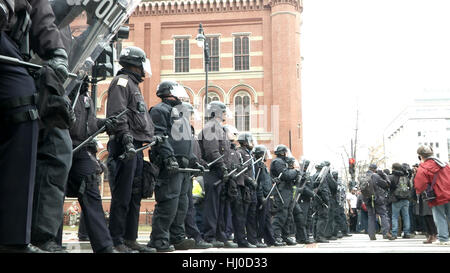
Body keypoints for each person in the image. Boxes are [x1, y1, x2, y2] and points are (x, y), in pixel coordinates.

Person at [0, 0, 73, 253]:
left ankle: (14, 238)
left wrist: (56, 52)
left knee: (24, 111)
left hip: (8, 40)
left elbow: (39, 8)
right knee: (23, 109)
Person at [106, 46, 160, 253]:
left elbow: (139, 117)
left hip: (136, 146)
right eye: (141, 65)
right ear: (135, 64)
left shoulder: (133, 85)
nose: (143, 70)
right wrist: (126, 138)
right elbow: (118, 113)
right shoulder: (121, 83)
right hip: (124, 144)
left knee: (135, 194)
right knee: (123, 194)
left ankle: (130, 238)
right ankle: (116, 240)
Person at [66, 79, 119, 253]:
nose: (86, 78)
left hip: (81, 150)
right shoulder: (65, 89)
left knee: (91, 189)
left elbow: (89, 123)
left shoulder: (85, 96)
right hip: (61, 146)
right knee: (54, 193)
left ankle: (104, 246)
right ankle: (51, 242)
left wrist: (103, 124)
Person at [146, 80, 197, 252]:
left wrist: (194, 160)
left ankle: (177, 237)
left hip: (182, 168)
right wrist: (168, 157)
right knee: (168, 203)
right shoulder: (159, 110)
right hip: (169, 166)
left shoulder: (180, 114)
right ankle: (159, 240)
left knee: (181, 205)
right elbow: (159, 135)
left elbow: (186, 143)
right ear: (170, 92)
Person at [198, 101, 238, 248]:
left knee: (220, 206)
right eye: (223, 111)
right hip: (213, 172)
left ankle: (220, 235)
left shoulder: (218, 128)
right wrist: (222, 167)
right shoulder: (211, 127)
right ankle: (210, 236)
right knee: (212, 206)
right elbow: (212, 151)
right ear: (217, 112)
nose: (225, 114)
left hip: (220, 173)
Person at [180, 102, 212, 249]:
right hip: (181, 173)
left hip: (189, 175)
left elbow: (195, 155)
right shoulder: (179, 129)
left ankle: (194, 236)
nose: (192, 118)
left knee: (188, 207)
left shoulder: (190, 132)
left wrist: (202, 164)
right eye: (191, 114)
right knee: (179, 207)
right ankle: (184, 236)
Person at [414, 145, 450, 245]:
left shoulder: (423, 167)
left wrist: (419, 192)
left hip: (437, 195)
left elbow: (419, 184)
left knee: (439, 217)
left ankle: (443, 239)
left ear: (420, 156)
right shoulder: (444, 164)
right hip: (449, 192)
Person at [236, 133, 266, 248]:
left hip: (252, 189)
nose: (252, 144)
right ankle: (242, 240)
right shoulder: (240, 153)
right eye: (251, 141)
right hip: (244, 188)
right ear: (245, 141)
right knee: (242, 215)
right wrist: (248, 180)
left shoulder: (250, 155)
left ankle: (252, 240)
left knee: (251, 216)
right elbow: (239, 170)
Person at [270, 145, 298, 246]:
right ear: (283, 153)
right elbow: (286, 175)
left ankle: (285, 236)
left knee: (288, 215)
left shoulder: (284, 162)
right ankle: (276, 236)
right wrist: (296, 171)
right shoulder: (278, 162)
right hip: (281, 191)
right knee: (281, 214)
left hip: (287, 191)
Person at [254, 145, 279, 247]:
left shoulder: (263, 165)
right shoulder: (257, 165)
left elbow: (265, 180)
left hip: (267, 196)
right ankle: (258, 239)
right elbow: (258, 183)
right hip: (262, 196)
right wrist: (261, 197)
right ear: (260, 154)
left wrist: (273, 180)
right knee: (260, 219)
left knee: (267, 219)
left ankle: (270, 239)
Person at [362, 164, 393, 240]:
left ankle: (372, 235)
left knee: (371, 217)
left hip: (368, 199)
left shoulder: (363, 177)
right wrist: (384, 175)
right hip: (377, 199)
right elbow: (387, 184)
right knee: (383, 215)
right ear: (375, 169)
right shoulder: (375, 176)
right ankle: (386, 233)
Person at [412, 163, 438, 244]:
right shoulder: (417, 175)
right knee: (425, 216)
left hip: (428, 196)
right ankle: (430, 235)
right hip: (422, 197)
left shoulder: (426, 173)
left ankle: (433, 235)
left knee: (429, 216)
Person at [388, 163, 413, 240]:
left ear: (393, 168)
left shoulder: (392, 177)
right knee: (406, 216)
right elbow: (410, 187)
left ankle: (394, 234)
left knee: (395, 216)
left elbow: (388, 186)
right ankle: (407, 233)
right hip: (406, 199)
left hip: (396, 199)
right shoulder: (406, 177)